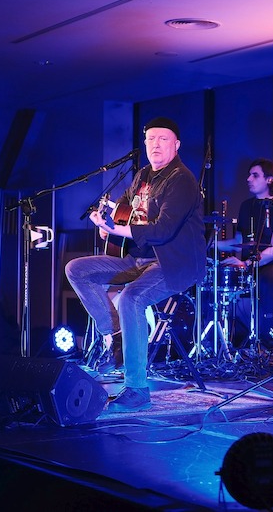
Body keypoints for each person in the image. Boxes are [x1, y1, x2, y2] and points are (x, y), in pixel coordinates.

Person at [65, 117, 206, 412]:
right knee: (77, 269)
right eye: (151, 139)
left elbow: (163, 230)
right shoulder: (142, 175)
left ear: (177, 145)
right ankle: (115, 335)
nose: (156, 144)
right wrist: (105, 222)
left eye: (163, 139)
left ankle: (137, 389)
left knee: (132, 298)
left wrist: (117, 229)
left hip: (172, 263)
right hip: (137, 259)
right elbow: (124, 209)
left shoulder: (181, 179)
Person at [219, 159, 273, 349]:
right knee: (217, 276)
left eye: (255, 175)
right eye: (249, 175)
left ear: (269, 179)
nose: (248, 179)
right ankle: (223, 341)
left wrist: (247, 263)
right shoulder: (246, 206)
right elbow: (239, 242)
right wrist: (213, 245)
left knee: (265, 280)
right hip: (248, 265)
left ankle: (267, 343)